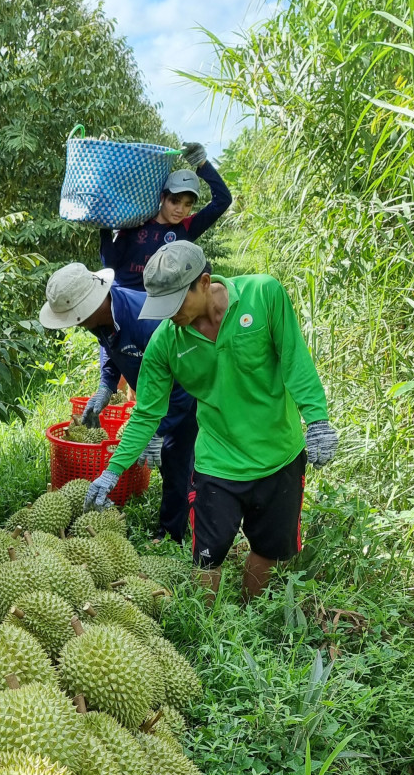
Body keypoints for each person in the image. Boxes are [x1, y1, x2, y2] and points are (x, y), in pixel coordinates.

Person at [84, 241, 338, 601]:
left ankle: (250, 616)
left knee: (269, 551)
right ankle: (207, 626)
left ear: (204, 282)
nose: (169, 315)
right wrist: (113, 470)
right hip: (217, 462)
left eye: (176, 303)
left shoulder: (263, 294)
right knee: (207, 558)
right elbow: (146, 414)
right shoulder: (165, 342)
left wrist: (317, 421)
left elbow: (296, 361)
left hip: (278, 455)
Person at [82, 144, 232, 540]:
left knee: (172, 432)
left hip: (166, 328)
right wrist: (105, 383)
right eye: (174, 200)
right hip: (127, 321)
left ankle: (177, 518)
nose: (181, 209)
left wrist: (203, 164)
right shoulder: (136, 225)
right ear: (159, 197)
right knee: (147, 411)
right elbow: (108, 259)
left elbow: (223, 201)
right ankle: (153, 473)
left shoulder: (183, 231)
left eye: (187, 202)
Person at [39, 262, 196, 540]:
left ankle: (174, 534)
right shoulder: (98, 319)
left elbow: (183, 382)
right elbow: (110, 351)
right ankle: (177, 518)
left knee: (177, 463)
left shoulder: (146, 321)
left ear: (94, 303)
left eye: (77, 316)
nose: (76, 323)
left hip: (182, 400)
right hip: (153, 399)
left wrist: (159, 428)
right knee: (166, 463)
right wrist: (105, 386)